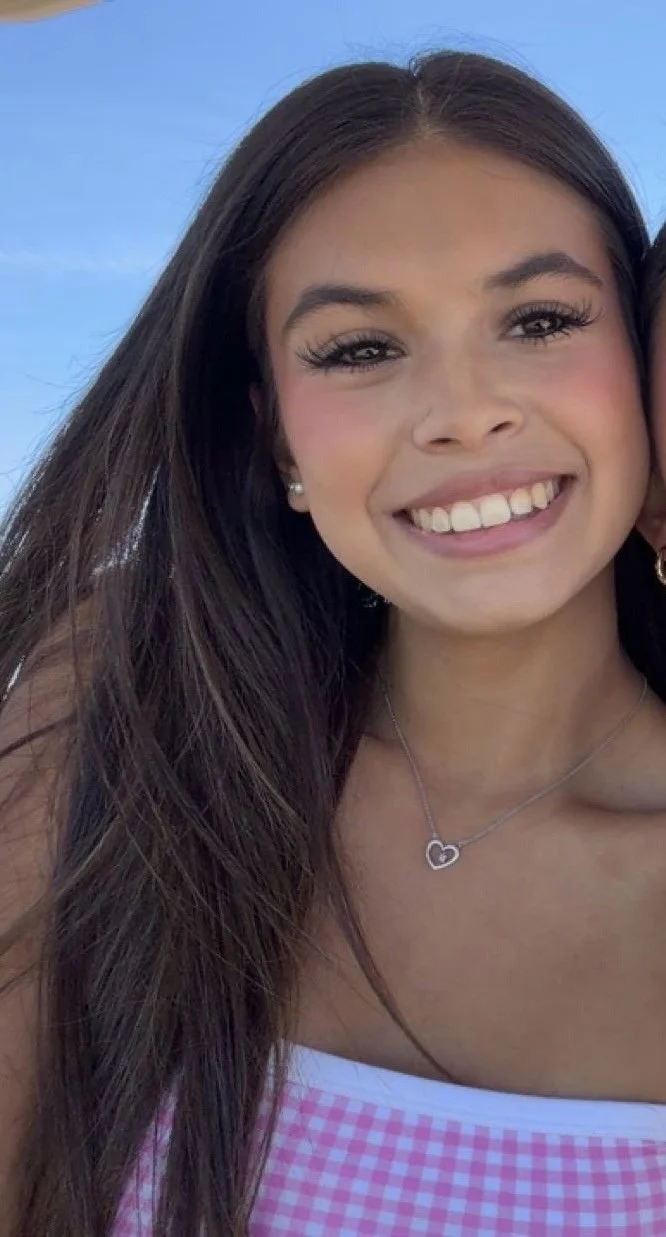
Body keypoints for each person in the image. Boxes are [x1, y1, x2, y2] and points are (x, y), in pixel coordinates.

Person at [2, 49, 666, 1237]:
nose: (465, 411)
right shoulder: (120, 710)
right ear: (275, 438)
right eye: (360, 347)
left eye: (542, 318)